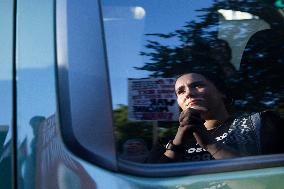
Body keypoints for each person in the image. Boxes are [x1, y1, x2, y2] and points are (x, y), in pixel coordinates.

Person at [146, 72, 284, 163]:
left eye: (197, 85)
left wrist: (211, 145)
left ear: (221, 93)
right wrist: (177, 146)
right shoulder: (165, 143)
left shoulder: (264, 123)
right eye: (180, 92)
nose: (188, 93)